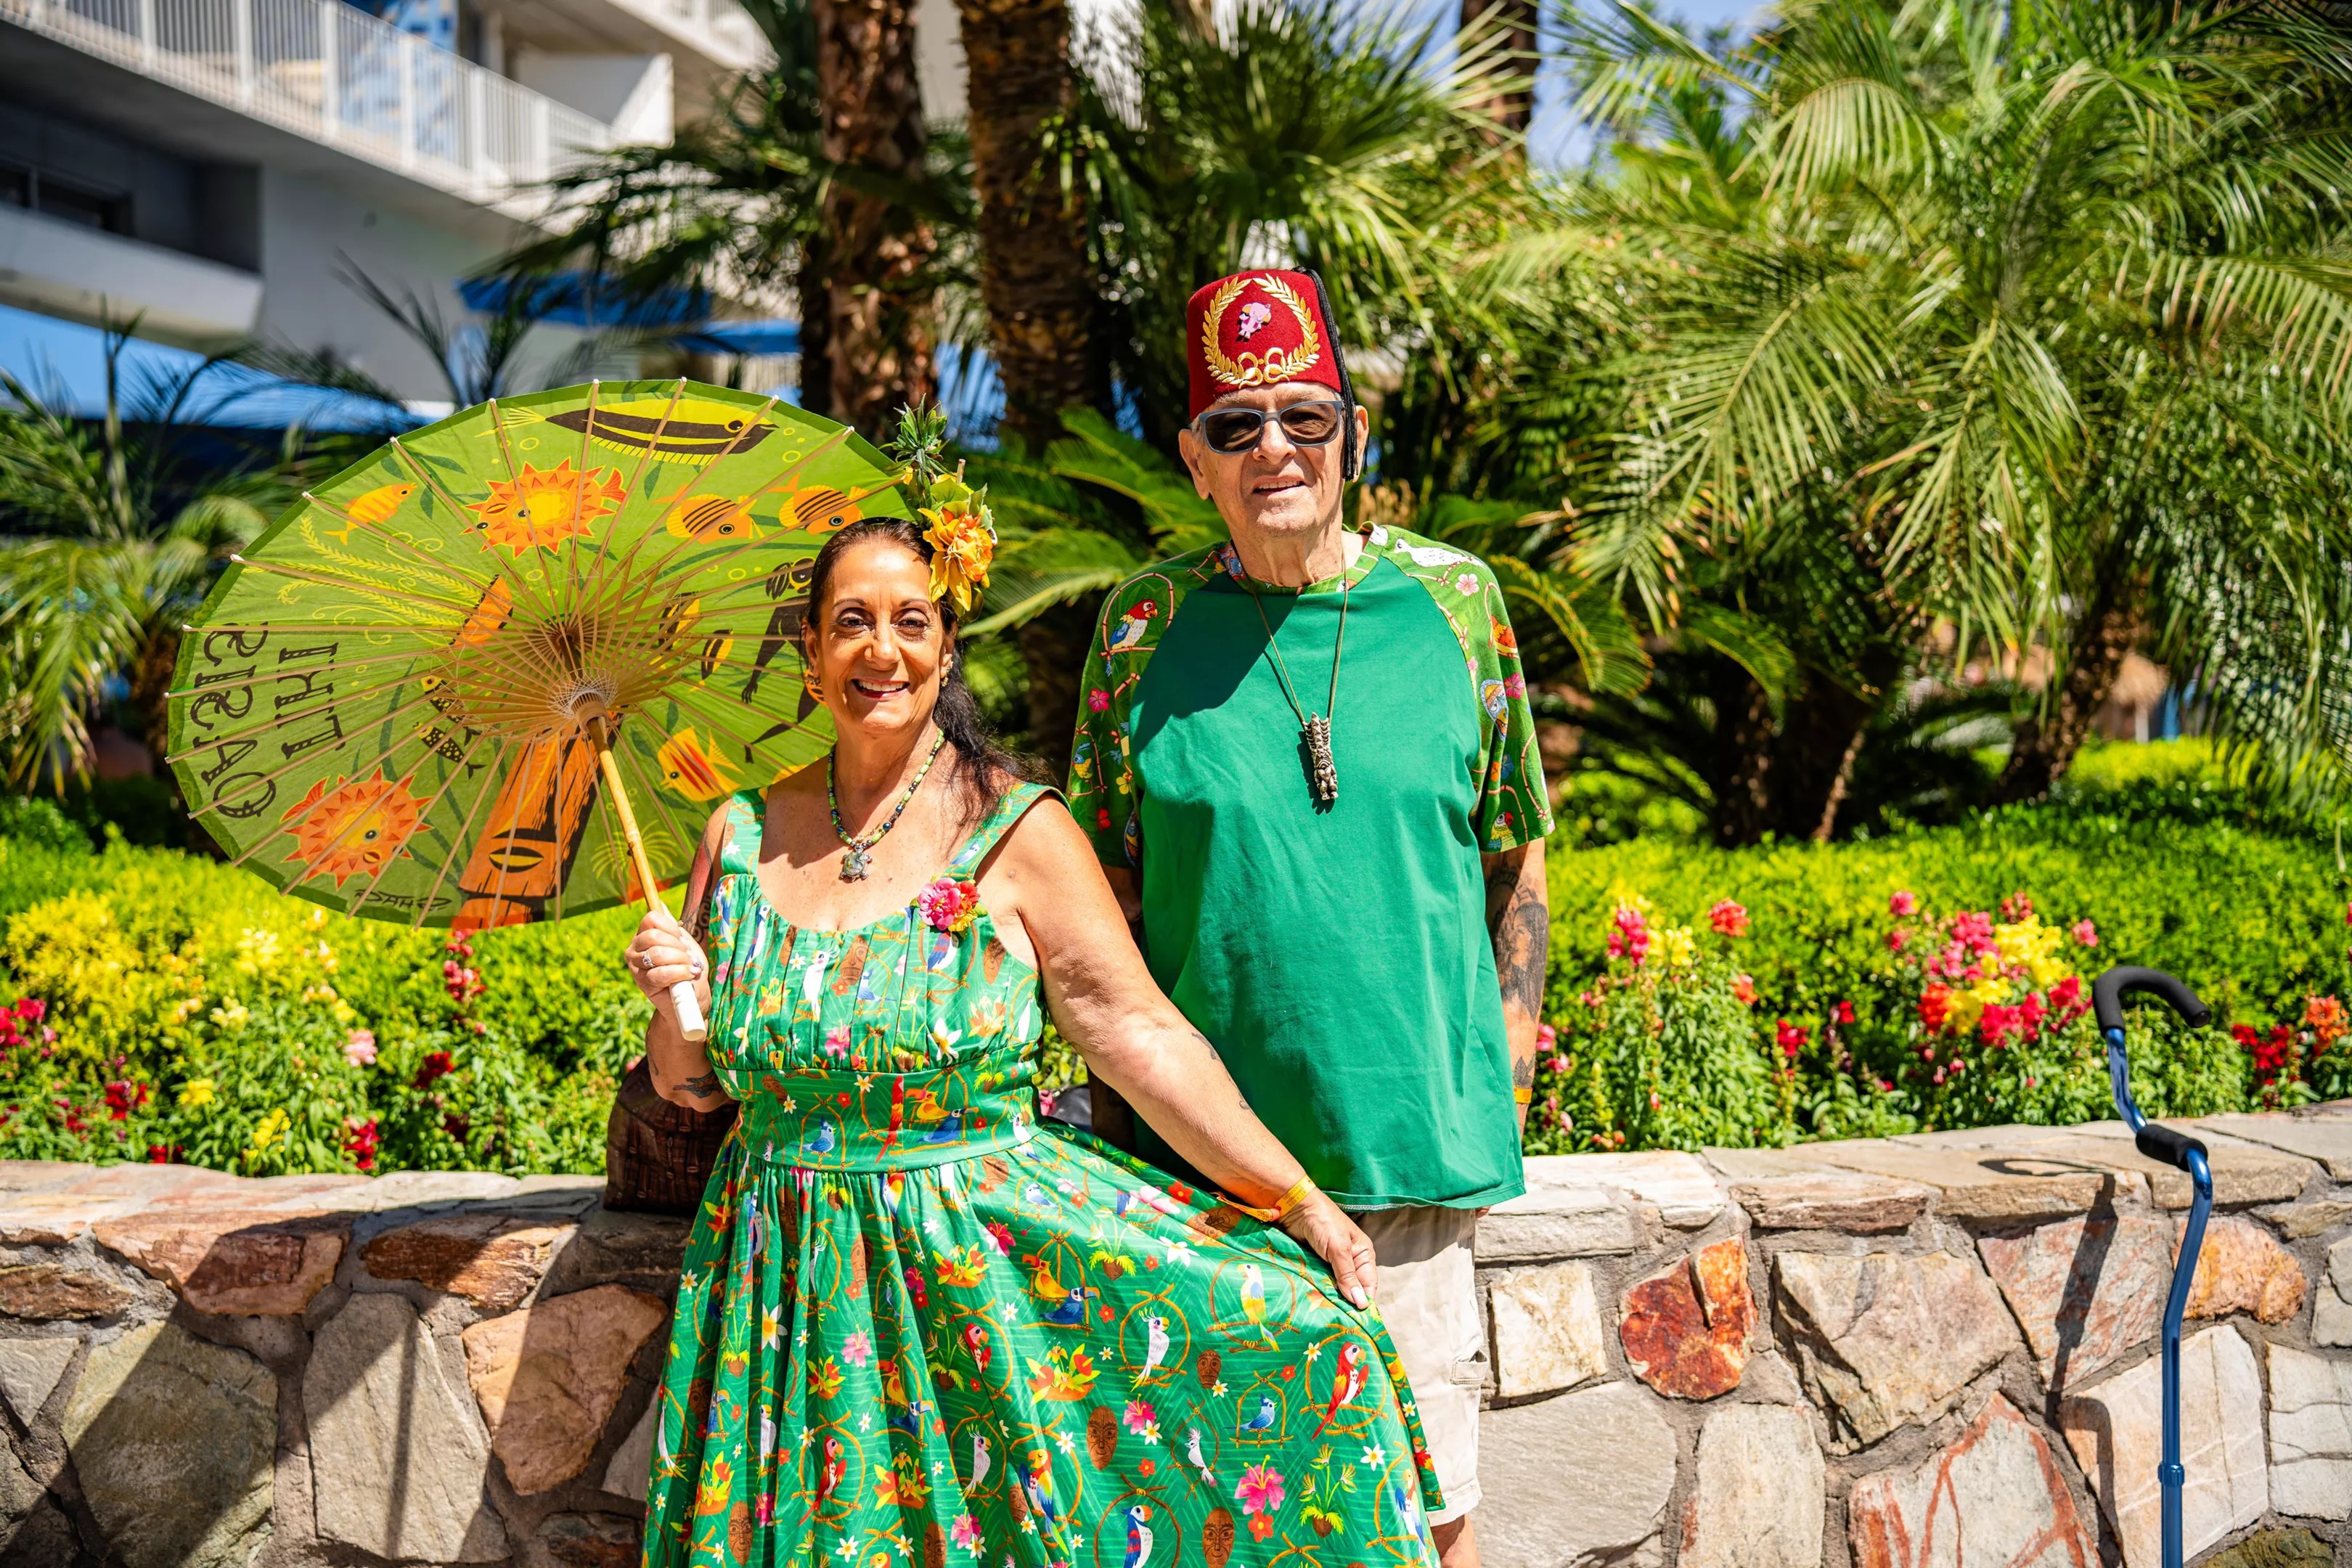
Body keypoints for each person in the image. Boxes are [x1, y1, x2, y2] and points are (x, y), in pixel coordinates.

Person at [623, 509, 1446, 1568]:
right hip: (777, 1278)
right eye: (852, 622)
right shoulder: (737, 837)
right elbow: (690, 1087)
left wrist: (1296, 1201)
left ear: (946, 647)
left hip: (973, 1284)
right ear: (812, 652)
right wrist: (672, 1001)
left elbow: (1135, 1031)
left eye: (911, 620)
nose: (882, 650)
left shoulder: (1016, 827)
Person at [1067, 269, 1553, 1568]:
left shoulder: (1456, 604)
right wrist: (1126, 1148)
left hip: (1410, 1157)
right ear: (1195, 460)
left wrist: (1507, 1062)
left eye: (1305, 417)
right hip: (1203, 1183)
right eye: (1236, 426)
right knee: (1216, 1527)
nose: (1274, 448)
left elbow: (1513, 851)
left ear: (1354, 433)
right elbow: (1102, 899)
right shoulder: (1142, 630)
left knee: (1426, 1520)